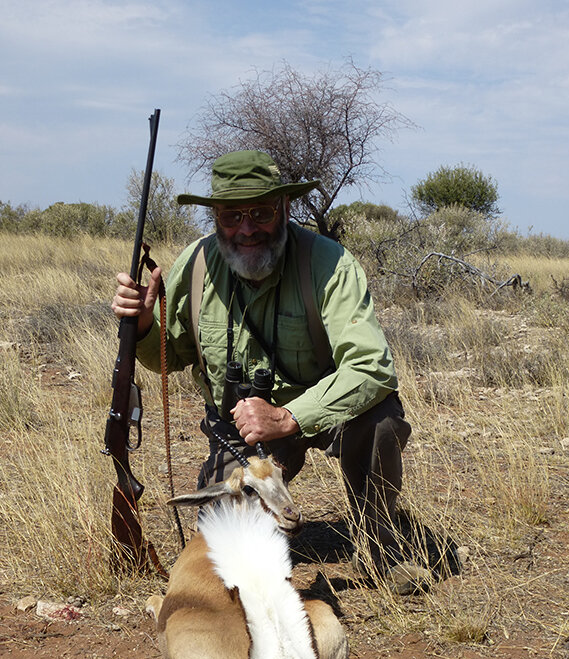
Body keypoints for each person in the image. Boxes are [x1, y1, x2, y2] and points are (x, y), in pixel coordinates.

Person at [112, 149, 430, 593]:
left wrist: (287, 417)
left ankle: (380, 544)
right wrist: (144, 324)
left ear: (283, 208)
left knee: (381, 420)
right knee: (227, 551)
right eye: (230, 215)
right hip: (243, 433)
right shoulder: (197, 264)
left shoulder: (329, 264)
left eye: (260, 212)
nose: (246, 229)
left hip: (320, 413)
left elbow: (372, 367)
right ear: (216, 217)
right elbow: (170, 355)